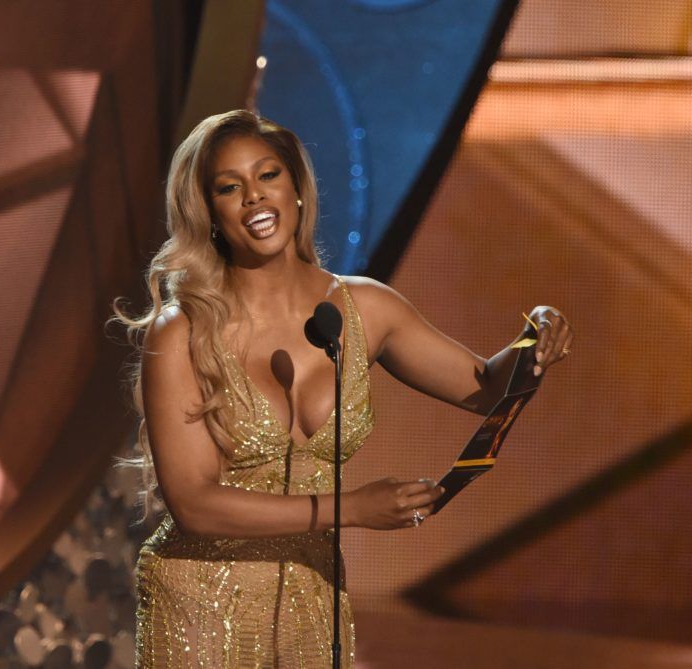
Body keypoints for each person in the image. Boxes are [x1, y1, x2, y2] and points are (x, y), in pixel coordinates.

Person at [112, 110, 573, 667]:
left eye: (269, 176)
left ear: (298, 190)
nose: (254, 198)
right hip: (200, 605)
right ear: (209, 213)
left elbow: (485, 389)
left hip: (312, 596)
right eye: (230, 188)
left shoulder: (366, 308)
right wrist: (350, 508)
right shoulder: (184, 330)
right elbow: (194, 505)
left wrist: (536, 334)